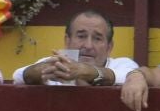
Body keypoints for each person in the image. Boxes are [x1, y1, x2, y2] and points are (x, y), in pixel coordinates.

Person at [13, 9, 141, 87]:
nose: (88, 46)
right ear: (67, 41)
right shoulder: (55, 65)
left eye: (97, 38)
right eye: (81, 36)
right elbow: (17, 76)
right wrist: (42, 71)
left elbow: (129, 75)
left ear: (109, 47)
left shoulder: (122, 64)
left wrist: (86, 72)